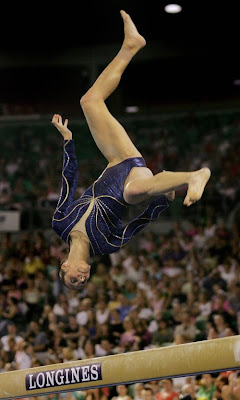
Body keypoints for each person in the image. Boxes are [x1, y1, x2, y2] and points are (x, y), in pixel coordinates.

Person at [51, 10, 211, 290]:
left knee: (89, 101)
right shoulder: (107, 244)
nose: (82, 278)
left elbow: (68, 182)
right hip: (135, 181)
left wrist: (68, 141)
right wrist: (163, 200)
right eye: (83, 282)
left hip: (118, 162)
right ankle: (193, 175)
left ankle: (130, 46)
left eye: (74, 279)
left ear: (64, 266)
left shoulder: (61, 223)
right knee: (134, 192)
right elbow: (138, 223)